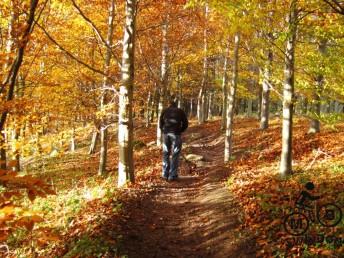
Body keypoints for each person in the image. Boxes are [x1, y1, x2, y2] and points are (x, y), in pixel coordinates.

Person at [159, 99, 188, 181]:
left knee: (166, 153)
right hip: (176, 134)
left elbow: (160, 123)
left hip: (166, 134)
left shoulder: (164, 111)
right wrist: (180, 131)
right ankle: (172, 175)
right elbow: (185, 124)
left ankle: (165, 174)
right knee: (175, 154)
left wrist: (164, 131)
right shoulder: (180, 111)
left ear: (169, 105)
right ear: (176, 105)